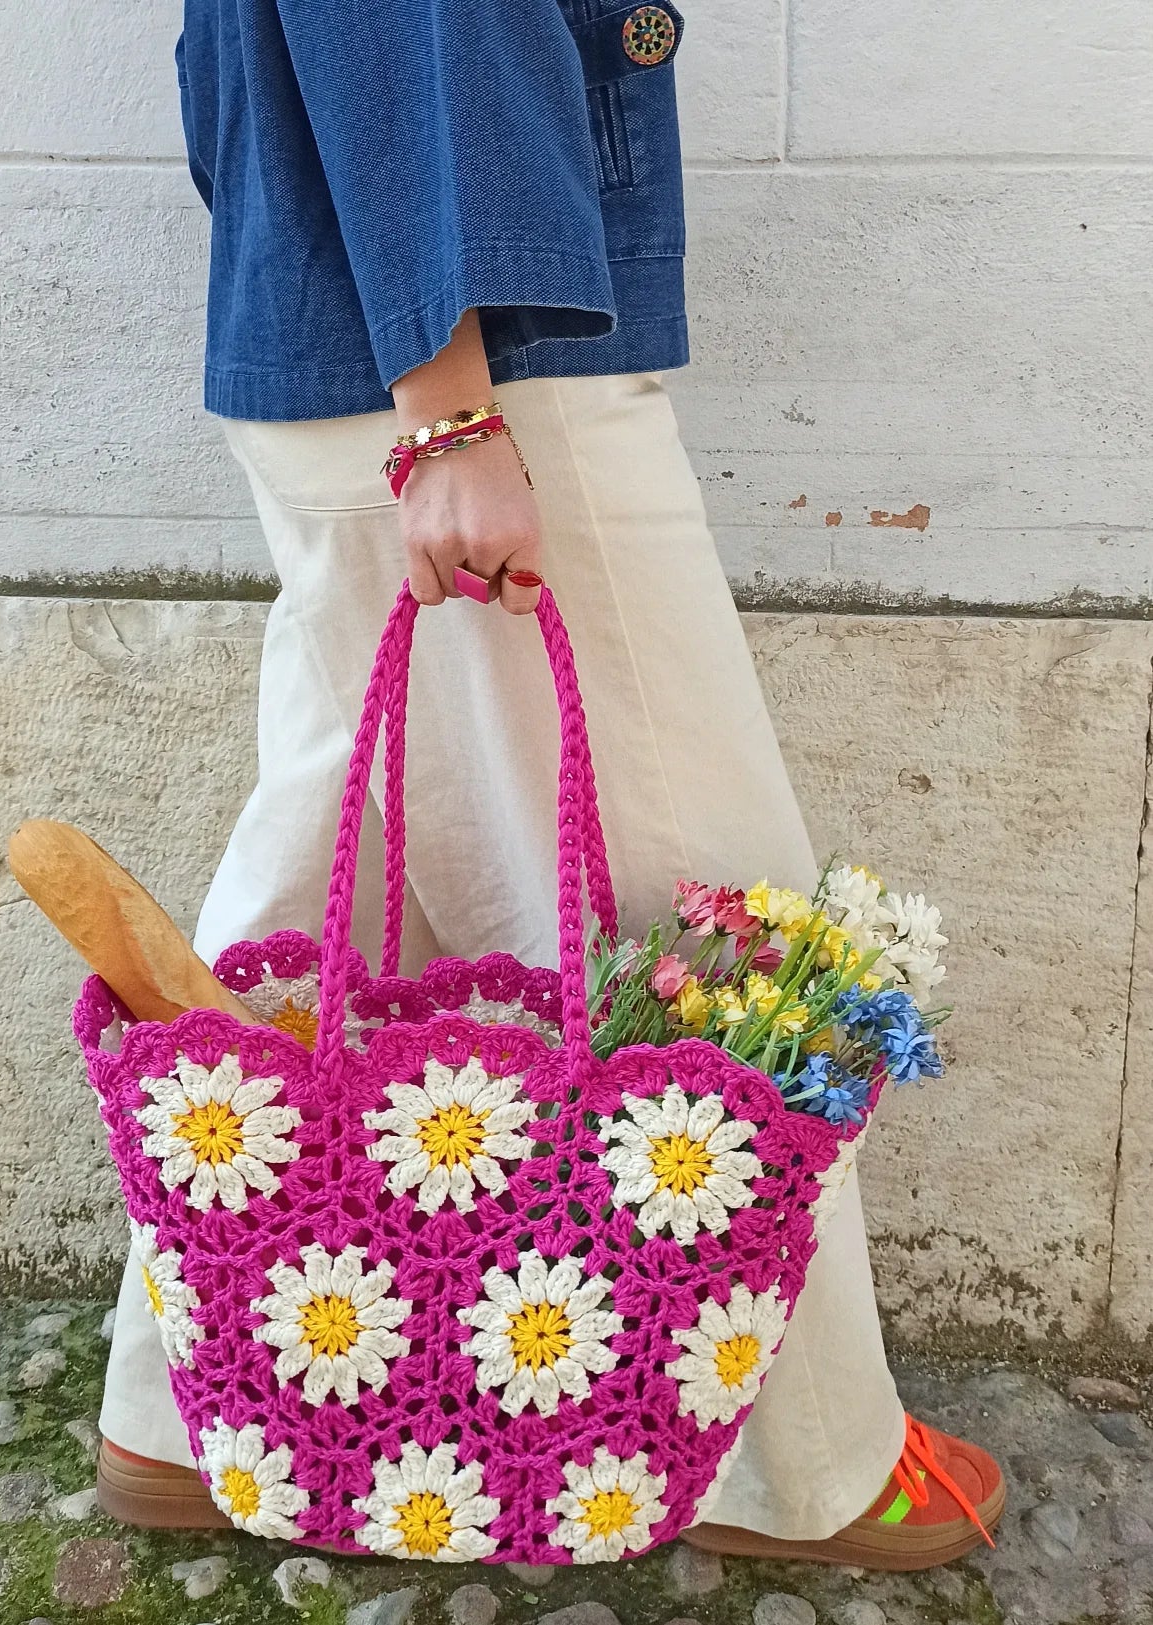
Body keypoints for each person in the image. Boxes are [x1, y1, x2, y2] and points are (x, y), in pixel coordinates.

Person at [95, 0, 1004, 1570]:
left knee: (330, 861)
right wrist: (451, 406)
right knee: (704, 904)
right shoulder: (460, 385)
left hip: (339, 309)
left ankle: (187, 1396)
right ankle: (804, 1461)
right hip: (468, 364)